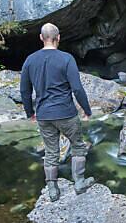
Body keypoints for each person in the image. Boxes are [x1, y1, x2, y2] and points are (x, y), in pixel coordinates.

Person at [20, 23, 94, 202]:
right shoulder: (66, 58)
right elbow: (77, 88)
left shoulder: (30, 60)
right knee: (77, 146)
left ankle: (52, 189)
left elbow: (25, 91)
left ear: (41, 37)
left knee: (51, 151)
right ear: (58, 37)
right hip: (66, 113)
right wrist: (86, 109)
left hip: (44, 115)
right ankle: (79, 182)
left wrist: (30, 112)